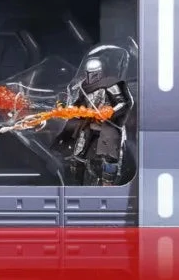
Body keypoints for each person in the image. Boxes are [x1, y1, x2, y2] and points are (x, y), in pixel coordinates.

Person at [51, 56, 134, 186]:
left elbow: (124, 102)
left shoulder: (110, 84)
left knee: (109, 156)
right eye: (88, 74)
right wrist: (67, 108)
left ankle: (108, 183)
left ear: (99, 73)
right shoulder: (83, 87)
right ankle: (77, 183)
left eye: (93, 74)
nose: (90, 77)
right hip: (90, 124)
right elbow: (79, 104)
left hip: (108, 124)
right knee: (78, 154)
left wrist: (111, 111)